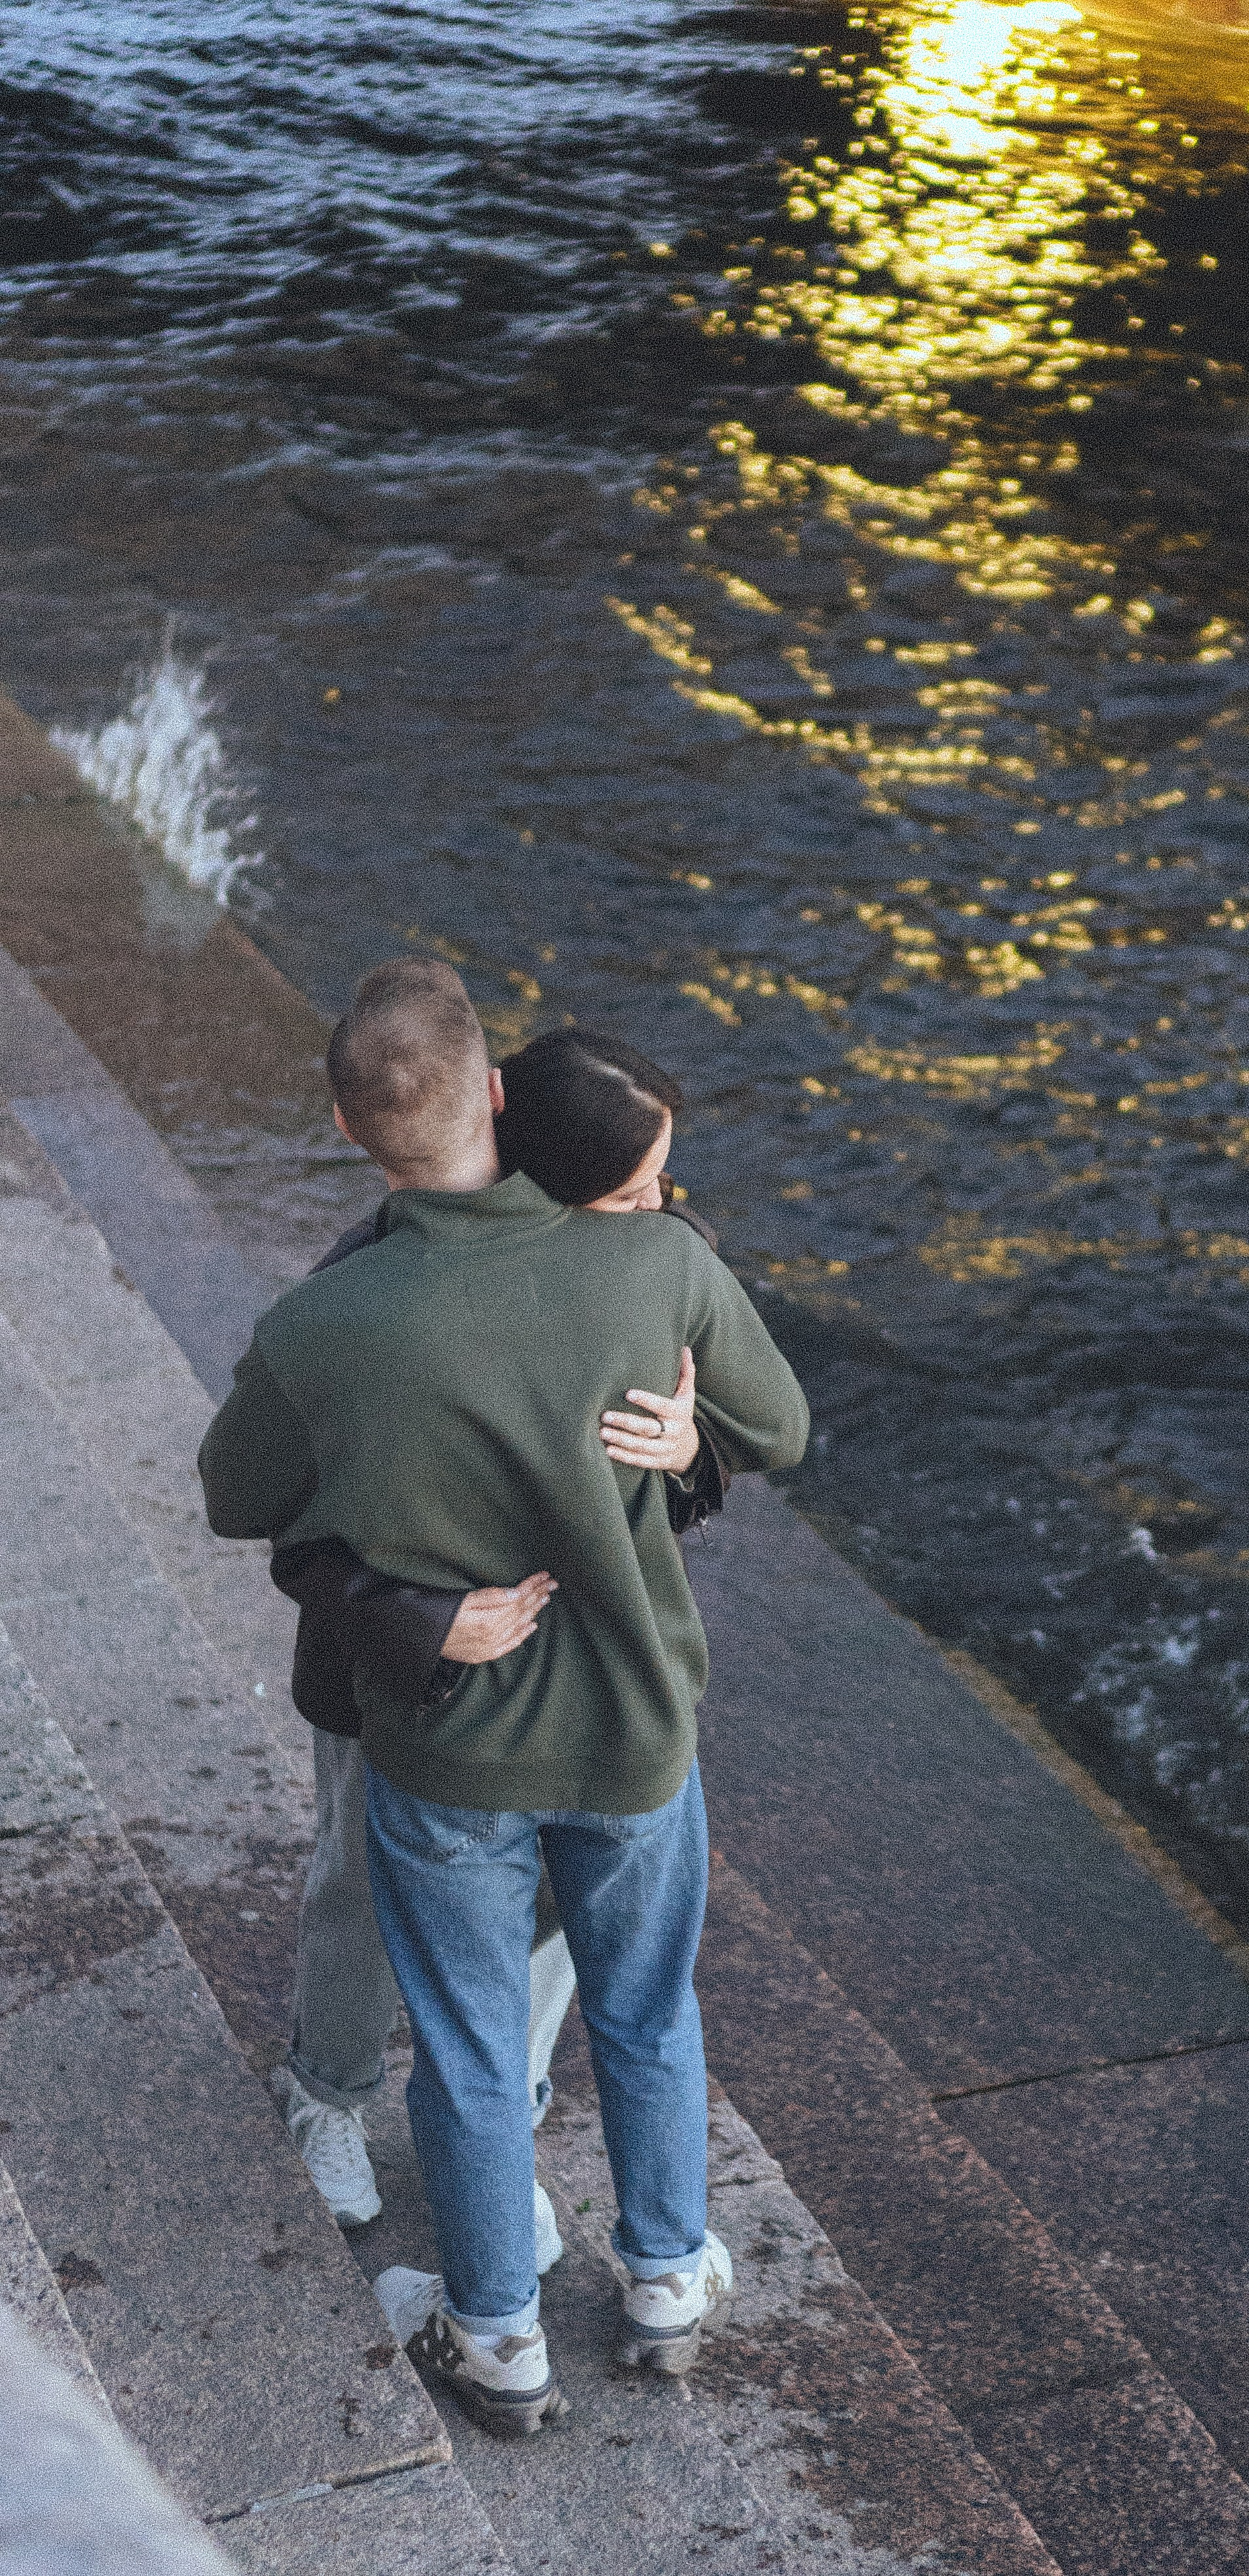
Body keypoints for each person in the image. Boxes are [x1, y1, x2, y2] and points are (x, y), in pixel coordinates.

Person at [199, 960, 809, 2438]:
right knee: (646, 2013)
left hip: (450, 1747)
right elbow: (781, 1426)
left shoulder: (322, 1324)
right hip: (633, 1730)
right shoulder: (657, 1266)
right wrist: (688, 1444)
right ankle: (665, 2282)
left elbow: (236, 1498)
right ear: (493, 1091)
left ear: (347, 1128)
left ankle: (495, 2340)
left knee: (469, 2051)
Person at [267, 1029, 729, 2255]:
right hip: (403, 1675)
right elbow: (283, 1510)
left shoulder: (651, 1256)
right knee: (358, 1885)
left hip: (585, 1665)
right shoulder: (371, 1278)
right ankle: (328, 2090)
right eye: (634, 1191)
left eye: (662, 1186)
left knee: (554, 1920)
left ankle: (495, 2130)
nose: (660, 1212)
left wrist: (693, 1451)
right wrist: (423, 1621)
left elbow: (729, 1424)